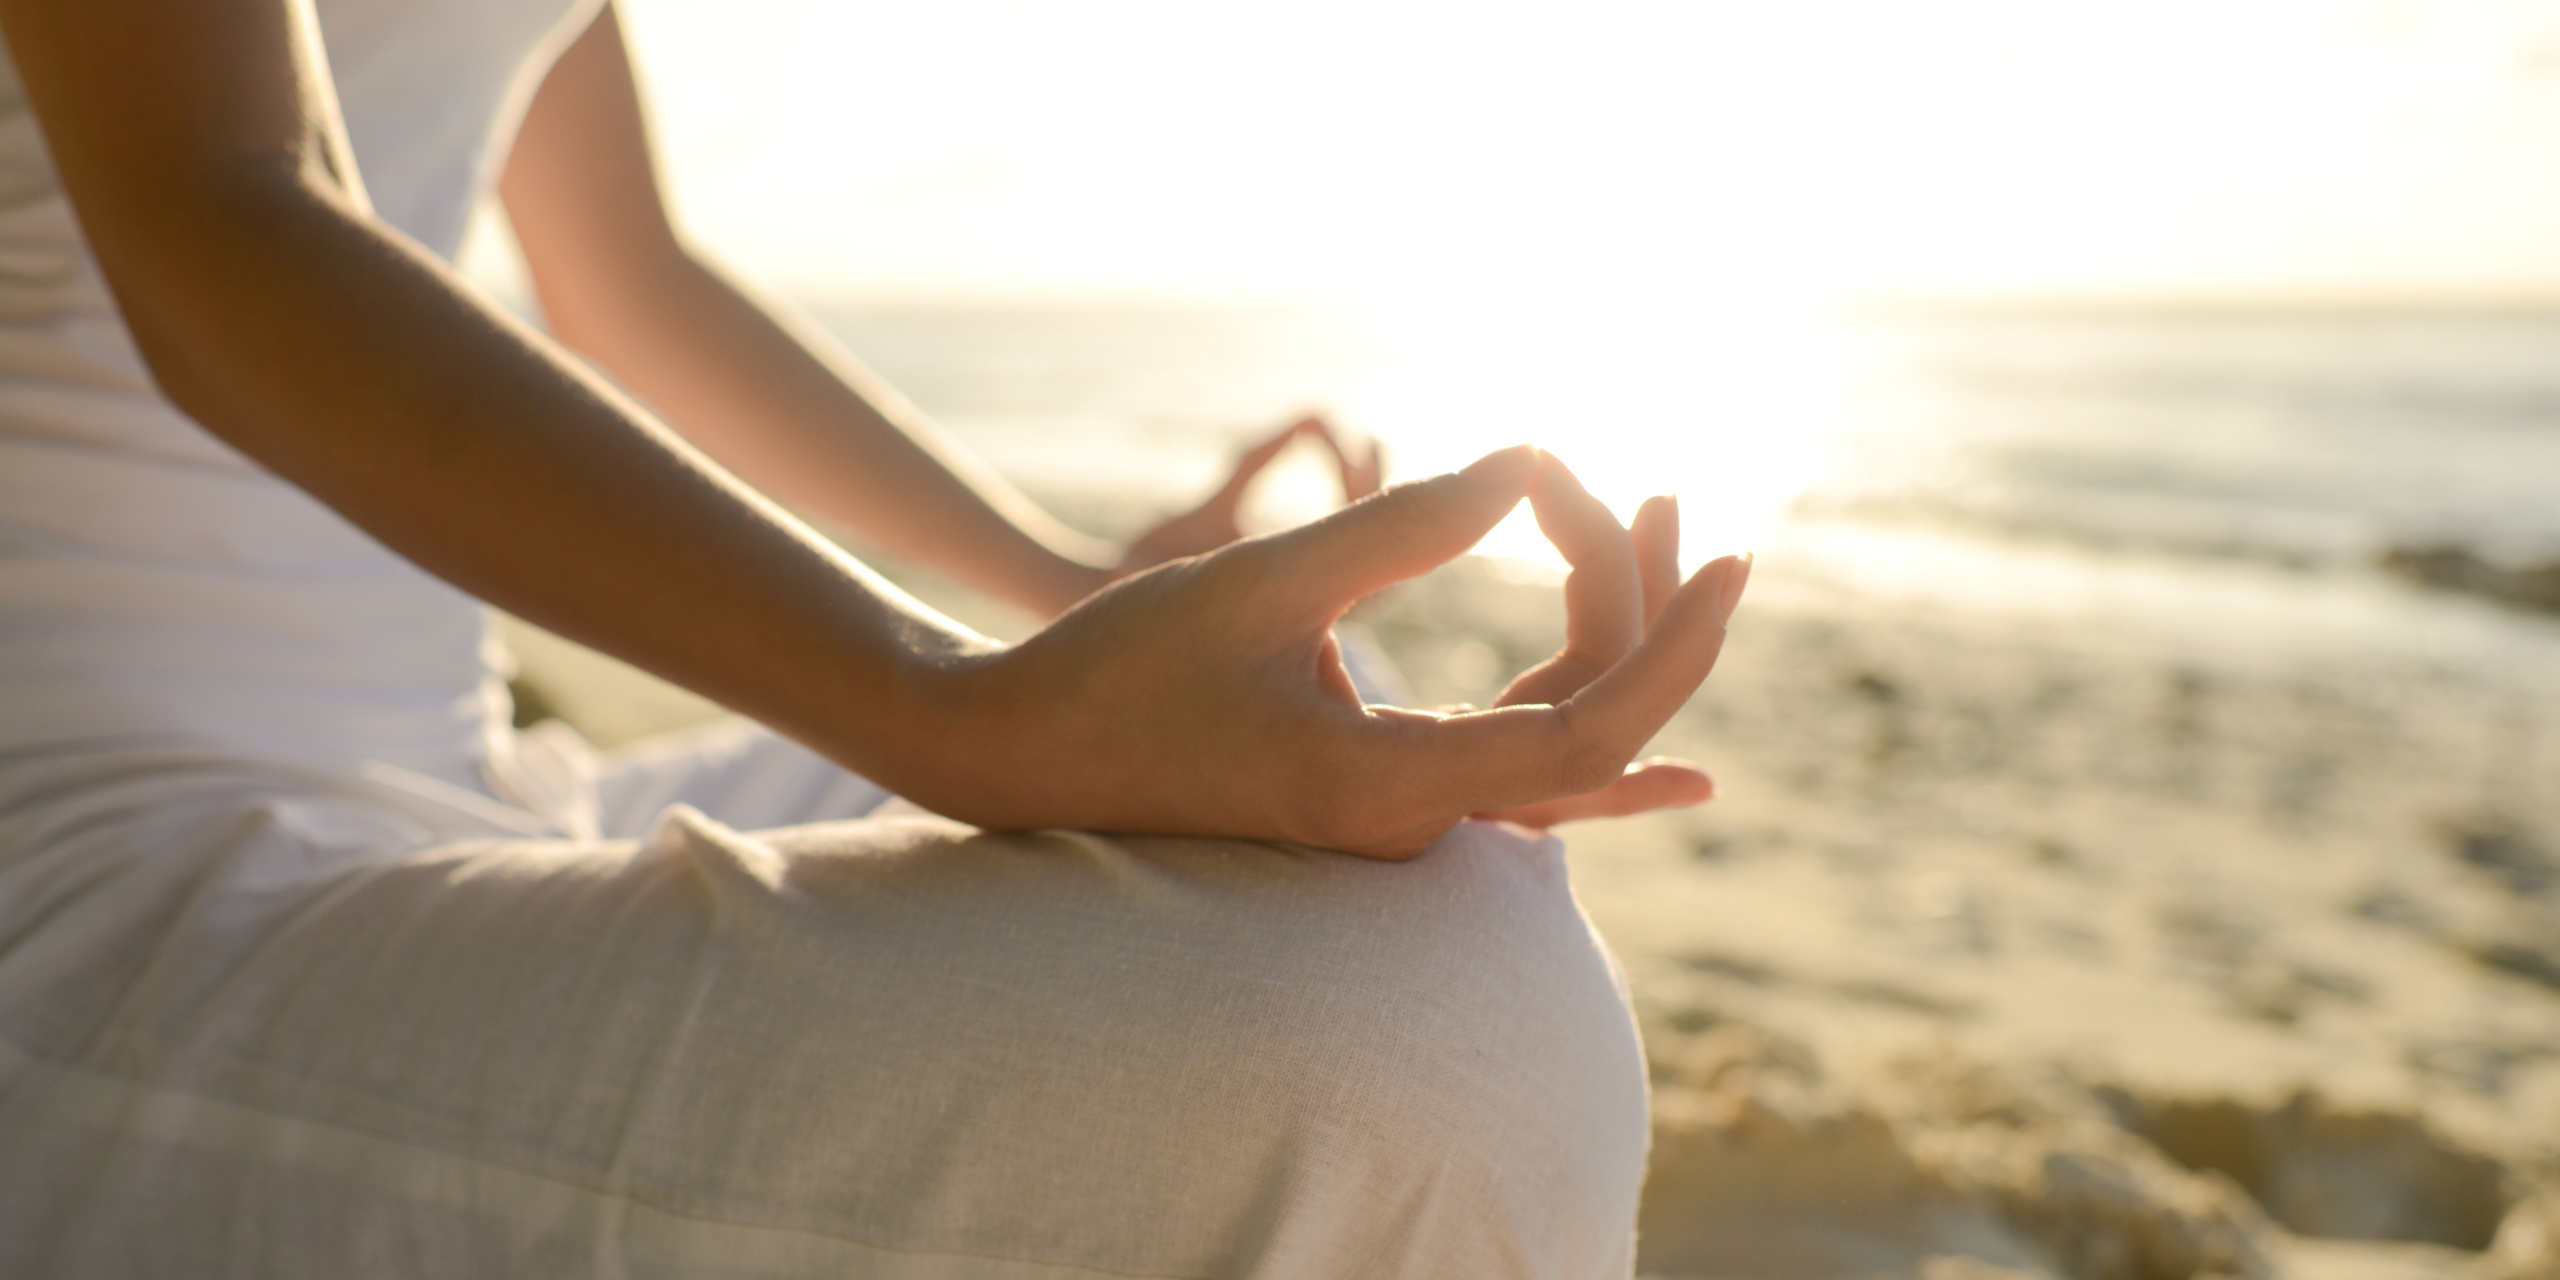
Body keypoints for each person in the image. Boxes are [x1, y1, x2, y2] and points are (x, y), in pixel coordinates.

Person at [0, 0, 1750, 1274]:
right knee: (1437, 1060)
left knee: (1407, 874)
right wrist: (959, 714)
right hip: (93, 870)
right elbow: (219, 201)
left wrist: (1065, 595)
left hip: (466, 779)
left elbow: (629, 281)